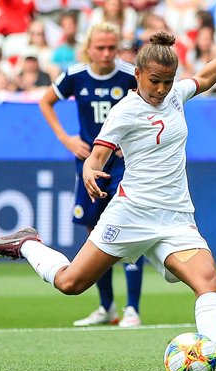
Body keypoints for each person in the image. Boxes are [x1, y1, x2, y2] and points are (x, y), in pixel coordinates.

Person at [0, 11, 216, 371]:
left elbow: (206, 76)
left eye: (168, 82)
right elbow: (98, 155)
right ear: (138, 76)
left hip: (176, 218)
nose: (162, 89)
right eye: (155, 82)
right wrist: (88, 169)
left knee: (208, 281)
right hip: (130, 215)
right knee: (71, 284)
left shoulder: (176, 96)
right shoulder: (125, 112)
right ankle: (26, 243)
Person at [38, 22, 145, 328]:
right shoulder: (75, 76)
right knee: (95, 234)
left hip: (122, 165)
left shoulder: (129, 75)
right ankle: (106, 306)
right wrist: (66, 138)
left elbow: (151, 106)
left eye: (112, 47)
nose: (107, 53)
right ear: (89, 47)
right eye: (100, 48)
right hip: (88, 163)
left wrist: (133, 140)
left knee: (127, 230)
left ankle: (132, 309)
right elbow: (46, 101)